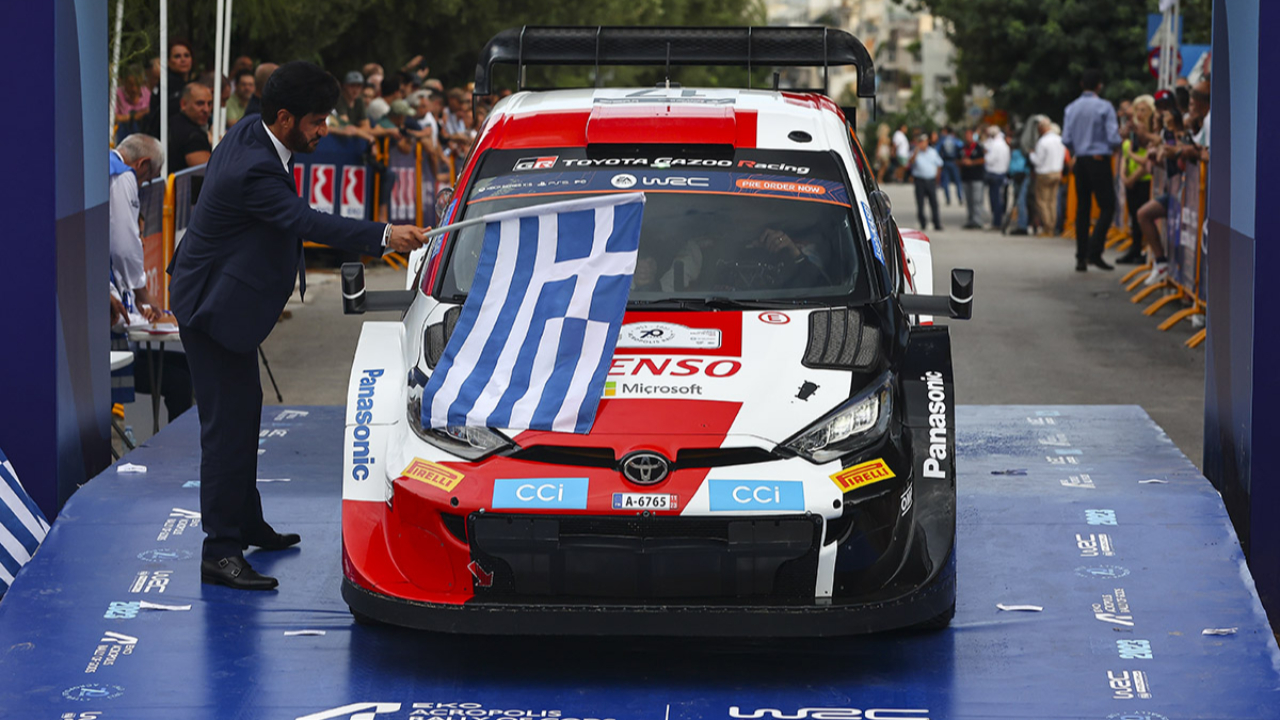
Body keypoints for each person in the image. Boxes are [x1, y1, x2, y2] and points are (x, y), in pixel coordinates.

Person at [166, 61, 429, 591]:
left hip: (223, 300)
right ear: (284, 118)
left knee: (245, 414)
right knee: (225, 432)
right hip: (211, 309)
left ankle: (246, 522)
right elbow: (306, 222)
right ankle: (219, 550)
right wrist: (384, 235)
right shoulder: (255, 169)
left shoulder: (254, 131)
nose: (324, 131)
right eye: (316, 121)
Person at [1061, 69, 1122, 271]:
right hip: (1099, 158)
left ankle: (1081, 256)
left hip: (1081, 160)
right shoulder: (1104, 107)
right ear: (1099, 86)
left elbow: (1066, 139)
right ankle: (1094, 251)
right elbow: (1113, 138)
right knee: (1108, 205)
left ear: (1081, 84)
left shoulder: (1071, 108)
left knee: (1083, 208)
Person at [1116, 95, 1157, 264]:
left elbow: (1147, 158)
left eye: (1143, 110)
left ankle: (1144, 251)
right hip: (1131, 178)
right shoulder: (1132, 131)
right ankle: (1135, 249)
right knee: (1133, 215)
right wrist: (1124, 175)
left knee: (1142, 216)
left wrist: (1133, 177)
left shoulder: (1149, 133)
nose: (1139, 113)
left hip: (1144, 178)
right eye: (1137, 109)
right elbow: (1125, 154)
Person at [1030, 117, 1066, 238]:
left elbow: (1038, 160)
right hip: (1057, 172)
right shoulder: (1059, 140)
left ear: (1041, 129)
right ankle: (1053, 225)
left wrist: (1031, 154)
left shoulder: (1043, 142)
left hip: (1044, 174)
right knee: (1053, 201)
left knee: (1043, 201)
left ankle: (1048, 228)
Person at [168, 82, 212, 172]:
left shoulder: (173, 121)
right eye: (200, 103)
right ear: (183, 104)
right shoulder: (192, 136)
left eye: (210, 104)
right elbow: (211, 172)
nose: (206, 109)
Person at [909, 133, 944, 231]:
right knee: (920, 203)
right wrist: (916, 151)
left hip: (930, 180)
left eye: (923, 142)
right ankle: (923, 222)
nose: (922, 144)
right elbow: (910, 162)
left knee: (934, 202)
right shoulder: (915, 152)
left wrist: (937, 178)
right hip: (919, 180)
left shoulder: (933, 152)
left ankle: (936, 223)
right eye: (920, 142)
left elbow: (939, 164)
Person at [983, 126, 1010, 229]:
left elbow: (990, 159)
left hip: (994, 173)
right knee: (1000, 198)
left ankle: (996, 222)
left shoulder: (994, 145)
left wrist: (985, 154)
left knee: (995, 199)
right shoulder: (1004, 145)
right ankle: (998, 221)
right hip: (1002, 173)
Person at [959, 128, 987, 229]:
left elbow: (984, 159)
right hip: (966, 177)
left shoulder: (978, 147)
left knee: (977, 200)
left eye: (969, 135)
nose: (967, 137)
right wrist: (962, 162)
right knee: (969, 201)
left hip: (977, 177)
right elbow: (957, 160)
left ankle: (978, 221)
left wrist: (972, 162)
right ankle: (971, 220)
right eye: (966, 135)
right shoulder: (962, 148)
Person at [114, 66, 150, 142]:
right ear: (124, 82)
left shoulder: (146, 93)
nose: (134, 89)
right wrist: (133, 117)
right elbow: (113, 118)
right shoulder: (117, 94)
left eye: (137, 85)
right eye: (130, 84)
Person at [936, 126, 963, 206]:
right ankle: (960, 198)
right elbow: (961, 147)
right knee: (957, 181)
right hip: (954, 162)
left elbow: (937, 150)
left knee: (946, 181)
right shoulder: (955, 140)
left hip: (946, 162)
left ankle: (948, 199)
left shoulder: (943, 140)